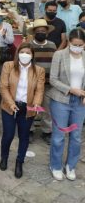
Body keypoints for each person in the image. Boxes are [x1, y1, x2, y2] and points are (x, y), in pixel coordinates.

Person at [0, 43, 45, 178]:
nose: (25, 55)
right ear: (18, 53)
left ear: (32, 55)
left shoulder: (39, 70)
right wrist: (11, 103)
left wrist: (36, 104)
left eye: (28, 53)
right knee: (8, 135)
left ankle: (20, 162)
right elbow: (3, 87)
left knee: (24, 136)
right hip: (10, 106)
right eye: (22, 52)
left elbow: (39, 90)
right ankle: (4, 157)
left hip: (27, 108)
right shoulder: (8, 66)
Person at [49, 29, 85, 181]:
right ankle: (55, 165)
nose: (77, 47)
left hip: (80, 103)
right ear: (69, 42)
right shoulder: (60, 55)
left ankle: (71, 165)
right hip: (61, 100)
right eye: (74, 44)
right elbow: (53, 79)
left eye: (80, 45)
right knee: (59, 136)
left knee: (76, 137)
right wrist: (71, 90)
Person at [27, 19, 57, 144]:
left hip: (49, 83)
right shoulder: (29, 46)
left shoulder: (52, 45)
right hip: (33, 83)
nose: (41, 33)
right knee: (31, 107)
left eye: (43, 31)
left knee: (48, 109)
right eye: (38, 31)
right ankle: (30, 129)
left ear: (47, 33)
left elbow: (55, 64)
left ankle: (47, 131)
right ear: (34, 33)